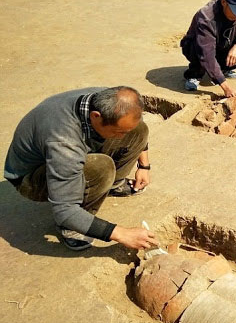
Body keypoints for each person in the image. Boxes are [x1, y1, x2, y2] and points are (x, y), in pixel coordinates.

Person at [3, 86, 159, 251]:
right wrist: (121, 234)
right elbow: (65, 210)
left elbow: (132, 126)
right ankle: (71, 228)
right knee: (101, 168)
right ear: (96, 117)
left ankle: (115, 184)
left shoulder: (106, 99)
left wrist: (144, 166)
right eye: (118, 132)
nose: (123, 136)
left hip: (59, 156)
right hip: (30, 177)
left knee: (139, 130)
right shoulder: (64, 142)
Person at [180, 0, 236, 96]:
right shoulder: (206, 17)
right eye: (234, 11)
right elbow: (207, 54)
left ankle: (222, 70)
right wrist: (225, 86)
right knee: (201, 52)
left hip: (222, 44)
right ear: (224, 2)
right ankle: (194, 74)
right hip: (197, 47)